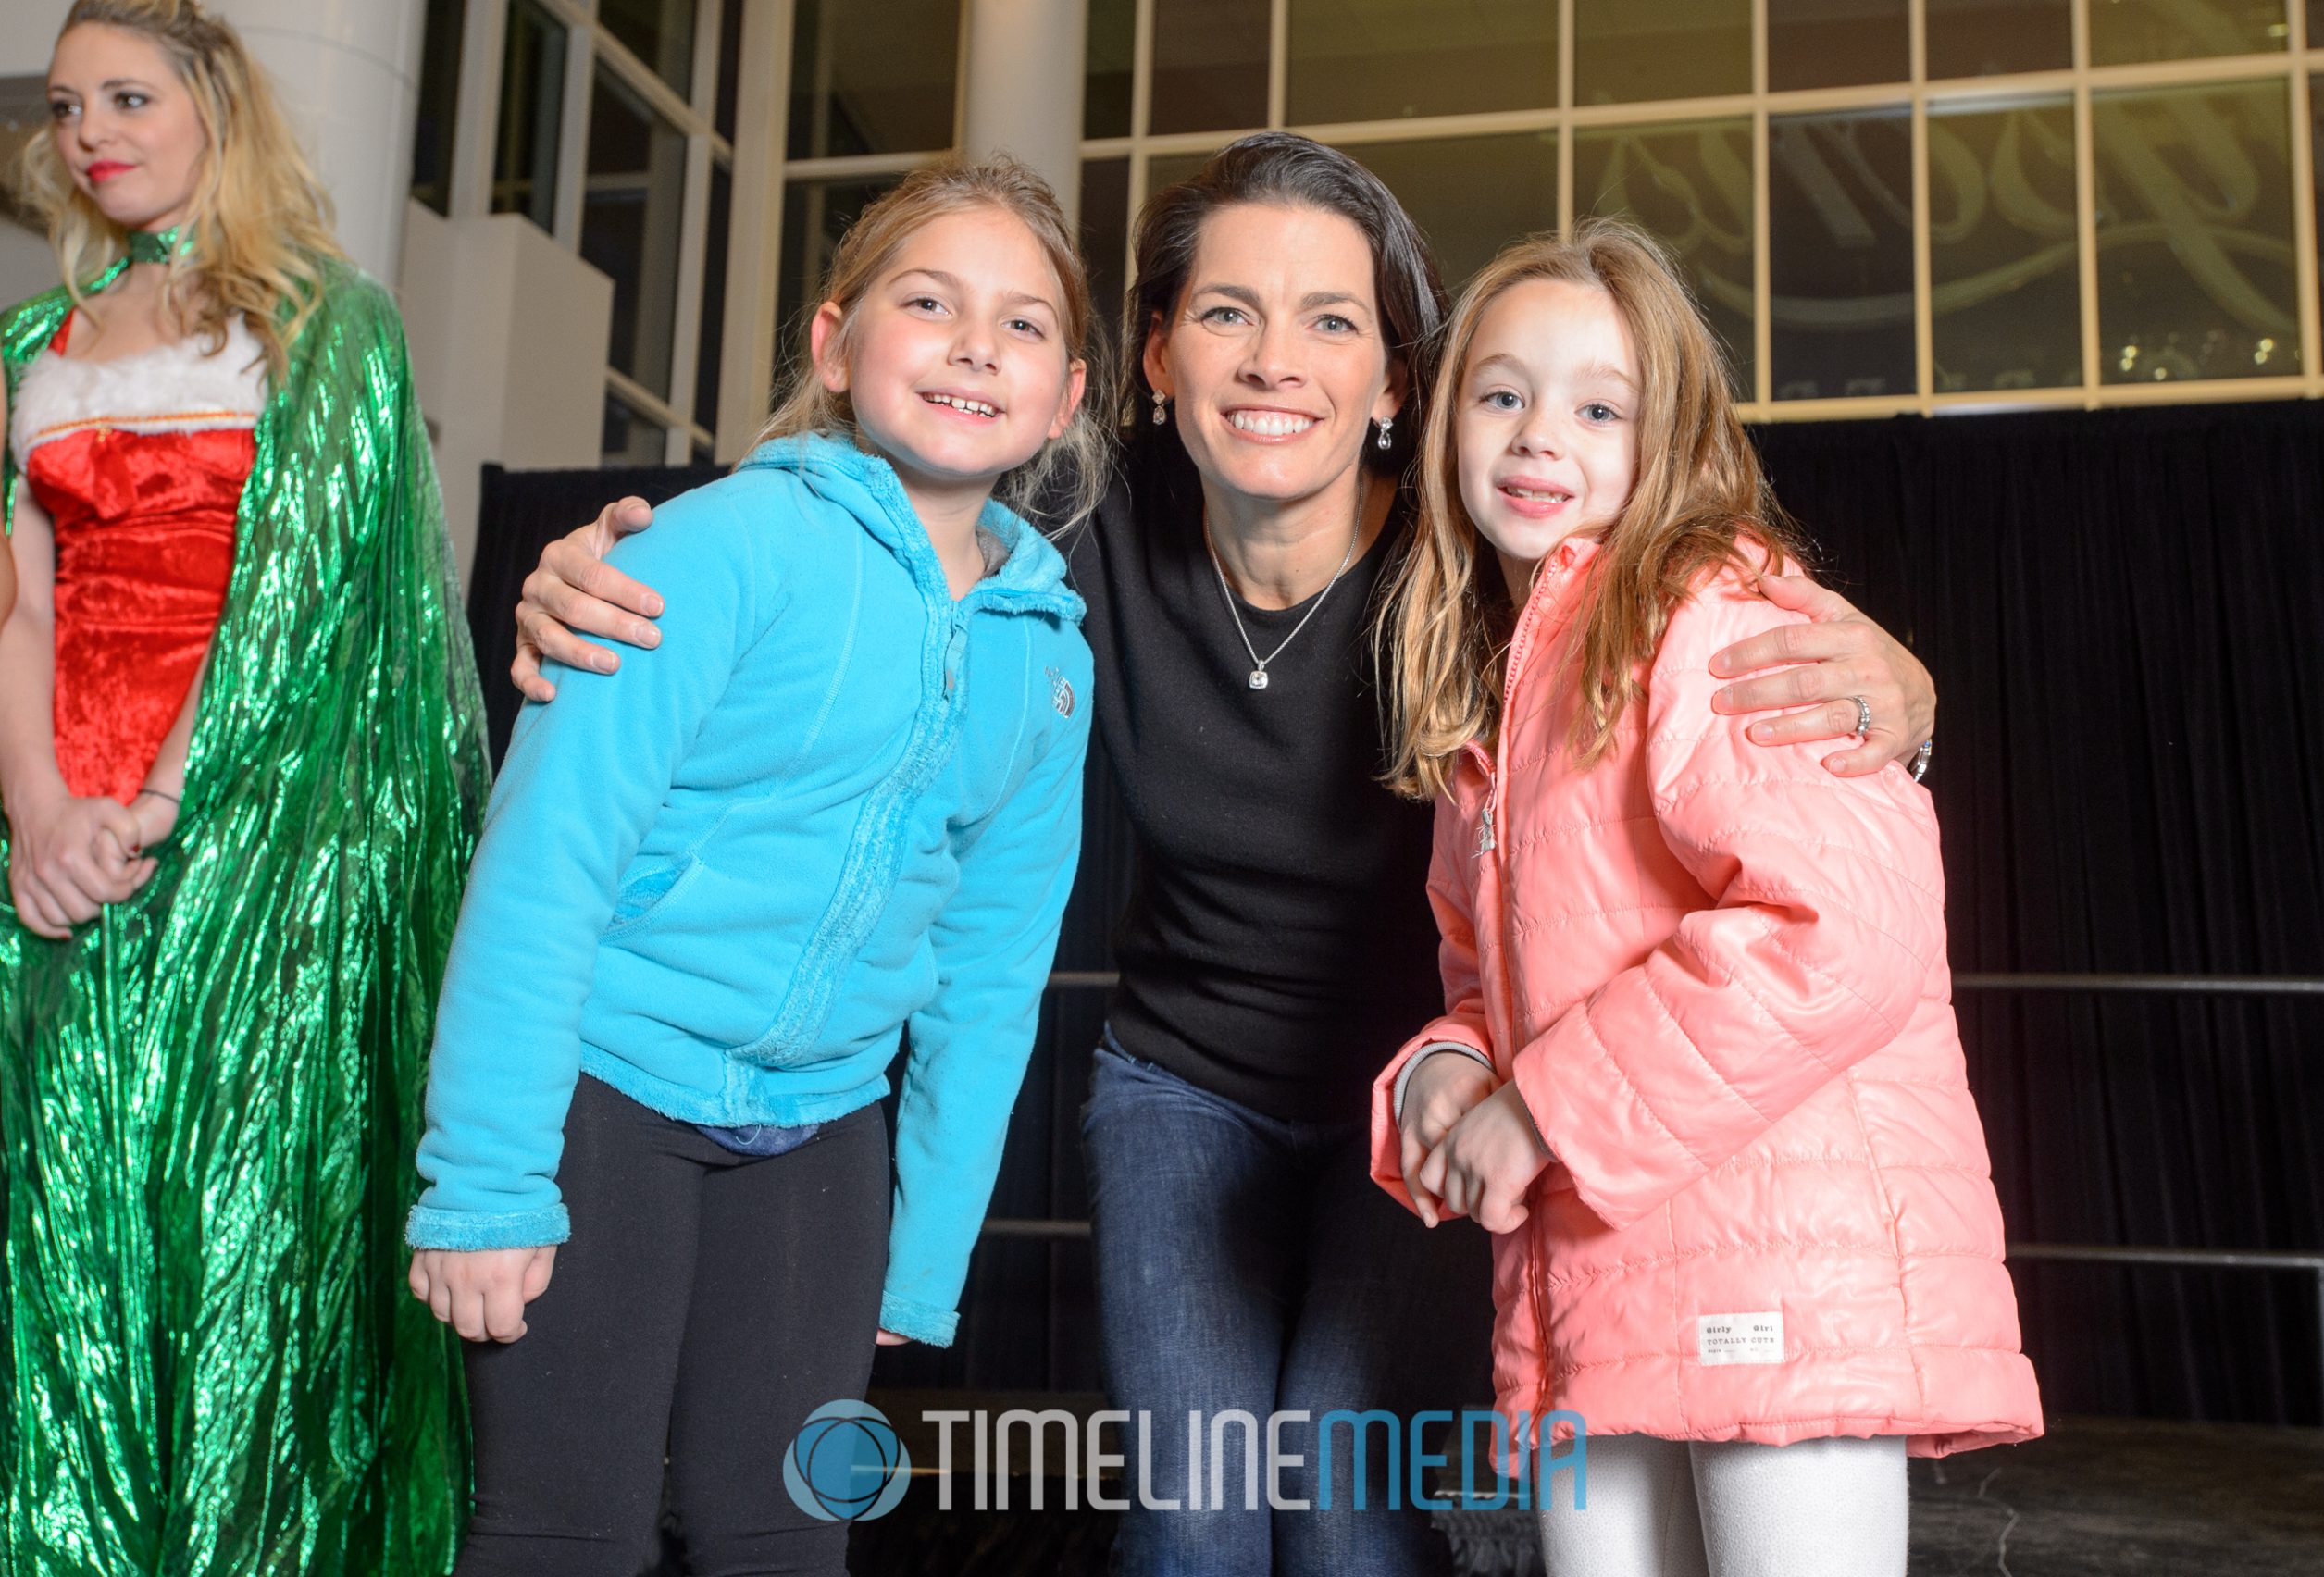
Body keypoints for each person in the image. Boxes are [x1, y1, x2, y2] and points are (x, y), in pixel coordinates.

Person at [510, 135, 1940, 1575]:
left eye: (1331, 321)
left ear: (1395, 385)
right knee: (1194, 1519)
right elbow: (876, 514)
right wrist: (625, 572)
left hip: (1433, 1102)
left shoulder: (1482, 570)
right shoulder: (1067, 541)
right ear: (1149, 359)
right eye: (1224, 315)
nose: (1273, 361)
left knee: (1339, 1500)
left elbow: (1693, 629)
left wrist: (1901, 694)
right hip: (1185, 1094)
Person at [404, 157, 1103, 1576]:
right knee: (562, 1532)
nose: (978, 344)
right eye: (929, 301)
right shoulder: (719, 549)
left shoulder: (1050, 666)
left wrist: (926, 1250)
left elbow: (989, 982)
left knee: (787, 1541)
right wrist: (484, 1183)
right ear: (833, 346)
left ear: (1070, 395)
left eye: (1024, 324)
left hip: (825, 1136)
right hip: (605, 1095)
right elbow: (548, 863)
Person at [1374, 223, 2043, 1577]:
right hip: (1603, 1280)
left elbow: (1844, 933)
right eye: (1500, 393)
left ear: (1666, 434)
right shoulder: (1495, 722)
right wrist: (1446, 1078)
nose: (1536, 435)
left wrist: (1542, 1108)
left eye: (1597, 405)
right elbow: (1480, 980)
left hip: (1777, 1276)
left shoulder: (1716, 617)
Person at [0, 3, 488, 1572]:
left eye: (129, 97)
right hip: (49, 854)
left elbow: (296, 598)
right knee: (61, 1247)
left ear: (216, 102)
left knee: (239, 1257)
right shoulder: (25, 348)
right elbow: (13, 602)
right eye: (69, 106)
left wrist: (149, 806)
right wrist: (36, 816)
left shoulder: (326, 320)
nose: (92, 134)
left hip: (252, 852)